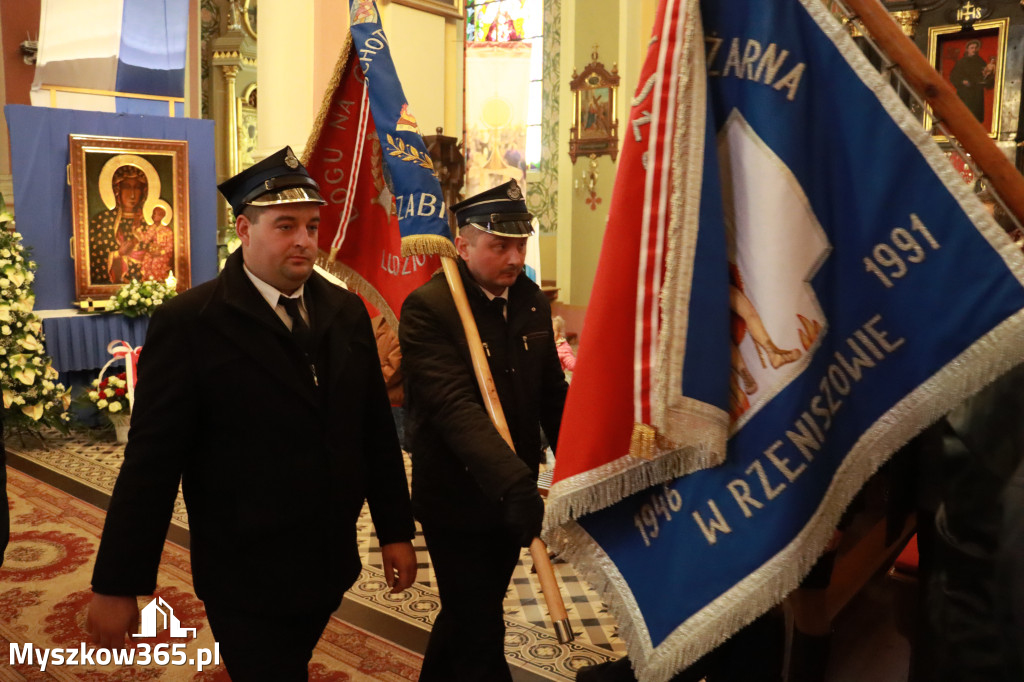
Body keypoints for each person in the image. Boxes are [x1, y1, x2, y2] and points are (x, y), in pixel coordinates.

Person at [86, 146, 417, 680]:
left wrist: (395, 530)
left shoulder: (345, 310)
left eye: (312, 226)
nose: (305, 241)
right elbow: (151, 462)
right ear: (244, 227)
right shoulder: (192, 323)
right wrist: (118, 582)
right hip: (245, 570)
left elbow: (374, 430)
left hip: (328, 560)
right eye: (285, 226)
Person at [399, 179, 569, 681]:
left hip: (514, 499)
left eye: (521, 244)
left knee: (466, 615)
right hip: (458, 497)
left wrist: (583, 465)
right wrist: (514, 482)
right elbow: (455, 409)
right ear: (463, 245)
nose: (515, 257)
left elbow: (552, 396)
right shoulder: (430, 307)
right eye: (500, 246)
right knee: (479, 629)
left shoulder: (531, 300)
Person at [89, 164, 148, 285]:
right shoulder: (103, 220)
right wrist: (118, 254)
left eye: (137, 188)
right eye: (127, 187)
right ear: (117, 190)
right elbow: (95, 257)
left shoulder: (147, 222)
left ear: (143, 192)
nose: (132, 195)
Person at [372, 313, 406, 449]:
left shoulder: (398, 325)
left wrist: (371, 381)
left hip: (394, 401)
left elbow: (394, 368)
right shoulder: (378, 321)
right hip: (381, 398)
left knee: (397, 446)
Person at [949, 39, 995, 123]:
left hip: (977, 93)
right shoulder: (961, 62)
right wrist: (962, 81)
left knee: (976, 118)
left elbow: (984, 77)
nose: (974, 50)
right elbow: (953, 77)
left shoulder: (980, 61)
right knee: (964, 117)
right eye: (972, 48)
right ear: (967, 49)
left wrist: (988, 73)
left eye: (975, 48)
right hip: (965, 93)